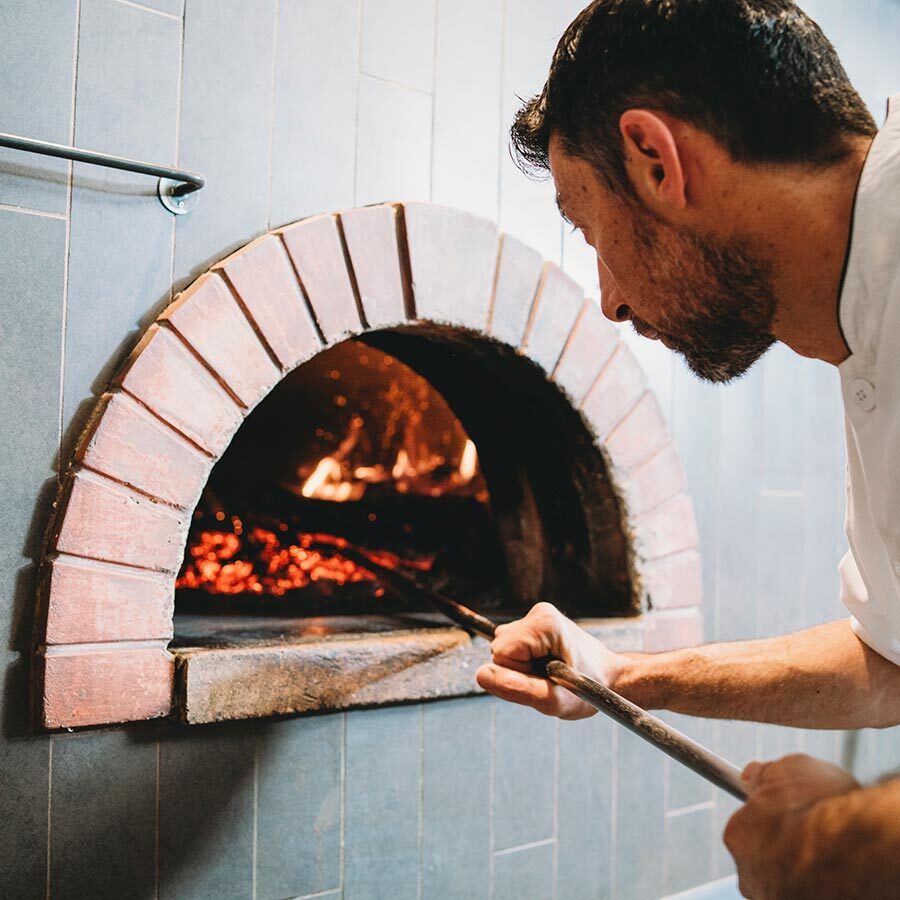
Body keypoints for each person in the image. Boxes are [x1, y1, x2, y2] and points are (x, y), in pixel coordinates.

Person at [474, 1, 900, 897]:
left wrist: (828, 848)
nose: (610, 302)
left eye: (591, 230)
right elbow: (890, 661)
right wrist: (623, 675)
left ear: (656, 161)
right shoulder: (868, 306)